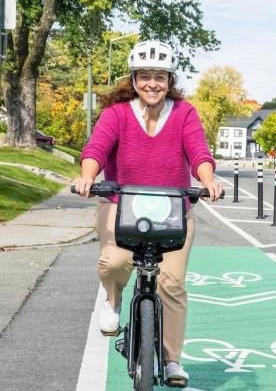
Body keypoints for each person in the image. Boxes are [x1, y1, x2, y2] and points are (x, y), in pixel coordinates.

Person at [74, 40, 223, 388]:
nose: (152, 84)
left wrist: (208, 179)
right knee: (114, 261)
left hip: (173, 211)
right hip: (121, 205)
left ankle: (172, 359)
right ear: (134, 78)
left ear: (170, 80)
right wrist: (88, 175)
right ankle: (112, 302)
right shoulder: (117, 114)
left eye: (159, 77)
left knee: (171, 284)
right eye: (144, 77)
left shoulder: (185, 113)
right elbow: (96, 147)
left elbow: (198, 151)